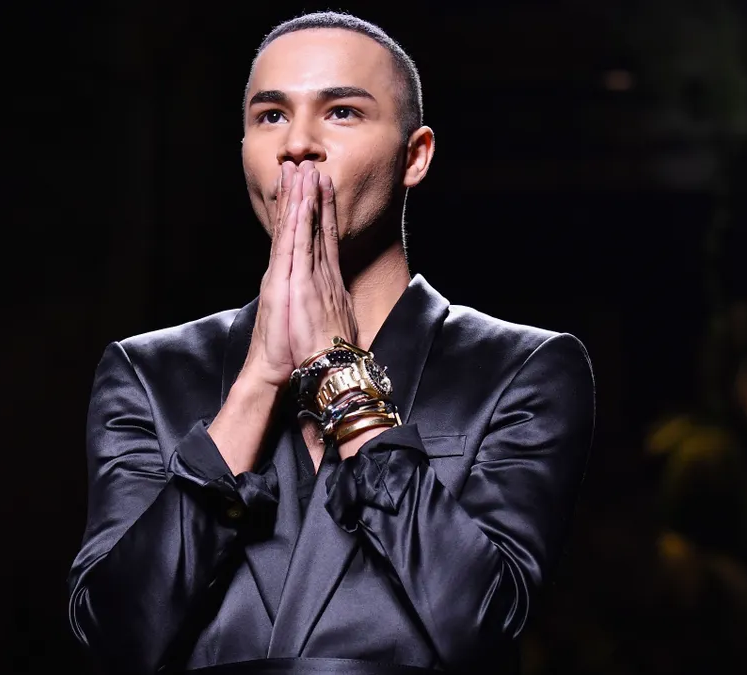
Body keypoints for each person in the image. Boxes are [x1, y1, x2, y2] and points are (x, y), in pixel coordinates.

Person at [67, 11, 595, 675]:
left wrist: (339, 372)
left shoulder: (521, 369)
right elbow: (112, 633)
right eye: (270, 116)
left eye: (341, 112)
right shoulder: (147, 372)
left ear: (415, 154)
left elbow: (482, 621)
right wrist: (260, 381)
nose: (299, 144)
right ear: (243, 153)